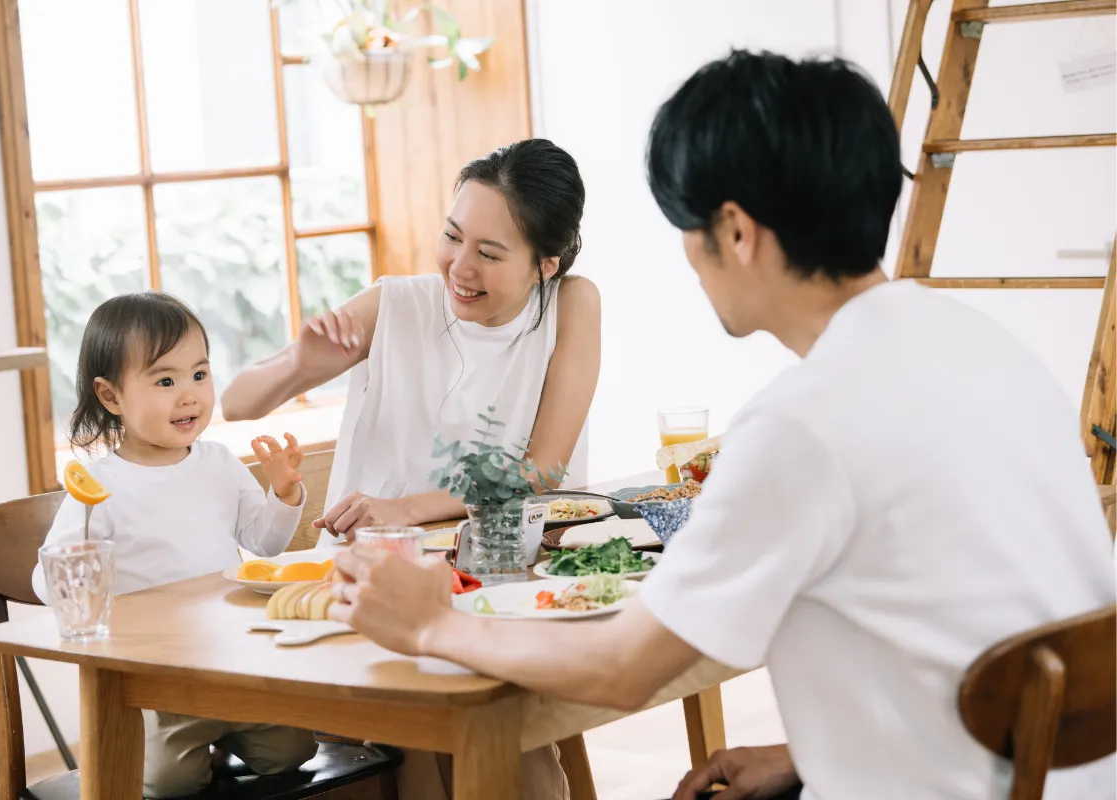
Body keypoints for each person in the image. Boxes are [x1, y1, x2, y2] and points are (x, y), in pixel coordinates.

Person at [323, 51, 1117, 800]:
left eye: (687, 227)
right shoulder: (984, 347)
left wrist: (430, 624)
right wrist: (809, 755)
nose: (688, 258)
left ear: (735, 232)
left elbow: (623, 667)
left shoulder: (802, 426)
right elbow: (986, 636)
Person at [222, 138, 600, 799]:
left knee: (498, 732)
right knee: (433, 735)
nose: (460, 266)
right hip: (373, 579)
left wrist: (405, 507)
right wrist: (299, 366)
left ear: (546, 264)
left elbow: (541, 471)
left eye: (489, 253)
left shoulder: (572, 304)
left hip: (495, 573)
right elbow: (236, 403)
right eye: (452, 237)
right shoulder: (396, 304)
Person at [31, 292, 318, 799]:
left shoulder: (219, 463)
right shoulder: (98, 487)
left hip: (234, 662)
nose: (189, 396)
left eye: (199, 374)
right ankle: (179, 744)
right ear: (111, 396)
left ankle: (219, 738)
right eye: (165, 381)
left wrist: (284, 494)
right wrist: (76, 569)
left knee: (293, 751)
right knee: (171, 783)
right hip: (157, 679)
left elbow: (265, 543)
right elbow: (45, 580)